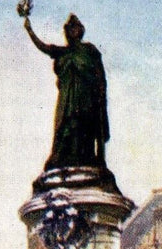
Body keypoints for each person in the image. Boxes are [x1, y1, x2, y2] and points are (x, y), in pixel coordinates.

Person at [24, 13, 110, 171]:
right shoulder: (63, 52)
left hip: (86, 100)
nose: (71, 31)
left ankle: (86, 159)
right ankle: (63, 158)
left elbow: (100, 77)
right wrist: (30, 30)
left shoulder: (90, 50)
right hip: (67, 100)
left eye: (74, 28)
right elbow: (44, 47)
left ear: (80, 30)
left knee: (84, 127)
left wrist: (100, 95)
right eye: (69, 29)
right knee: (64, 125)